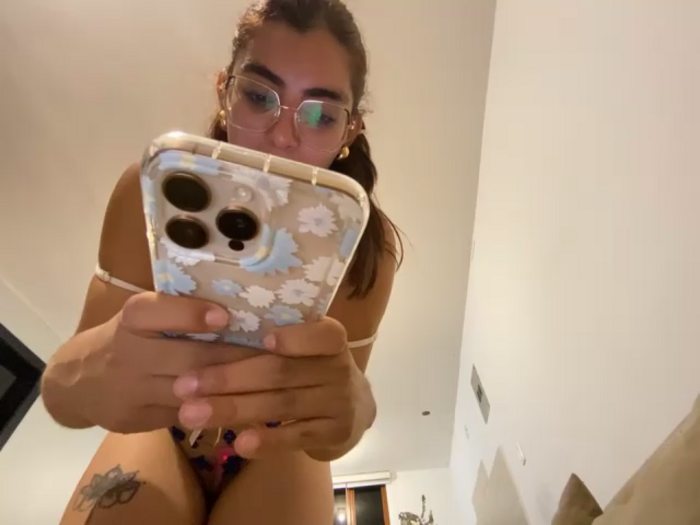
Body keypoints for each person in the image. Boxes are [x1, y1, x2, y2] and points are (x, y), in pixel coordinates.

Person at [40, 1, 401, 523]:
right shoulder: (150, 195)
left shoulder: (366, 251)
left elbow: (327, 435)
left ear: (349, 132)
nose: (283, 136)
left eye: (320, 115)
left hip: (281, 442)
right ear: (225, 93)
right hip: (158, 425)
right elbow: (64, 395)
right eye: (259, 96)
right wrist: (76, 377)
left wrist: (357, 411)